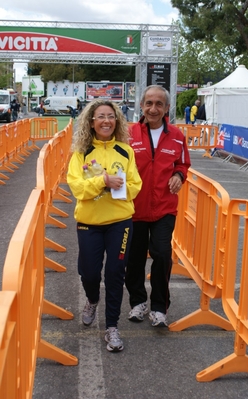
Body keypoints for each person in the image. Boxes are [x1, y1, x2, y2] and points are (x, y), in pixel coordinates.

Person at [67, 99, 142, 352]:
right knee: (89, 273)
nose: (106, 121)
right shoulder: (82, 153)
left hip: (120, 222)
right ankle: (91, 300)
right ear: (91, 122)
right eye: (101, 116)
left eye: (111, 116)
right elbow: (77, 187)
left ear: (117, 120)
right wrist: (103, 181)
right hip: (89, 222)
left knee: (115, 273)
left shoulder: (125, 151)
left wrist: (122, 188)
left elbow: (135, 184)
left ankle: (112, 328)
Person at [125, 85, 191, 327]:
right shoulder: (128, 133)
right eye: (149, 103)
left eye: (159, 104)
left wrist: (179, 176)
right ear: (141, 106)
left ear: (167, 108)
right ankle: (137, 302)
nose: (153, 108)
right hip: (133, 208)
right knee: (134, 258)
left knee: (162, 254)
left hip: (164, 207)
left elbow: (183, 164)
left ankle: (159, 308)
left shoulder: (176, 135)